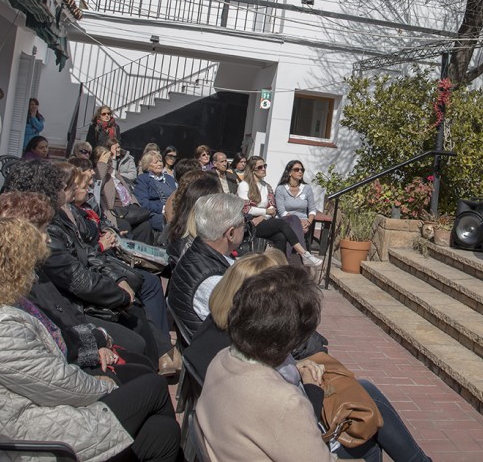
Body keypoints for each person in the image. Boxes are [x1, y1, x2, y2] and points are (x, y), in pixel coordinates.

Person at [0, 218, 181, 462]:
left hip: (28, 414)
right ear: (10, 266)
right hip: (29, 435)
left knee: (163, 432)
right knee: (153, 387)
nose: (34, 269)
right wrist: (108, 383)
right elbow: (59, 385)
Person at [188, 258, 431, 462]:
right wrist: (310, 388)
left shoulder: (222, 359)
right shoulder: (286, 402)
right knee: (368, 435)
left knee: (364, 394)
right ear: (294, 339)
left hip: (236, 444)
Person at [0, 191, 155, 380]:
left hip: (76, 337)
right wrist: (96, 348)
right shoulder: (18, 283)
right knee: (143, 365)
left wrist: (97, 337)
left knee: (142, 357)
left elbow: (64, 311)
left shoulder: (33, 269)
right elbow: (52, 339)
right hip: (69, 366)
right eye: (43, 230)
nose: (48, 238)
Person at [166, 192, 245, 341]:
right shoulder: (213, 282)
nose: (245, 227)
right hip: (224, 355)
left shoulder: (196, 253)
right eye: (243, 223)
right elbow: (247, 328)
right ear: (231, 233)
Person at [238, 156, 322, 267]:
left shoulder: (267, 186)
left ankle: (278, 266)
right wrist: (265, 211)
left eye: (265, 166)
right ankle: (304, 254)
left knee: (281, 236)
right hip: (250, 224)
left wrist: (263, 216)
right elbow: (246, 208)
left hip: (263, 221)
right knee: (282, 222)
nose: (264, 169)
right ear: (252, 169)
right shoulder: (244, 185)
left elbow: (273, 209)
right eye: (260, 167)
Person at [275, 160, 320, 258]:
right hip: (286, 220)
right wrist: (298, 223)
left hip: (304, 221)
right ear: (289, 172)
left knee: (297, 230)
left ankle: (287, 259)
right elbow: (282, 212)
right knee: (294, 229)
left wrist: (308, 222)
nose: (300, 172)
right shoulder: (281, 189)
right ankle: (304, 256)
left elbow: (312, 209)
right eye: (296, 169)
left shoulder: (307, 188)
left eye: (302, 169)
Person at [134, 150, 175, 234]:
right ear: (147, 165)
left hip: (175, 211)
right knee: (175, 226)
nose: (160, 164)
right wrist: (163, 208)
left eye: (160, 161)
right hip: (156, 213)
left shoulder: (169, 178)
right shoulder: (143, 179)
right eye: (156, 162)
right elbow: (143, 203)